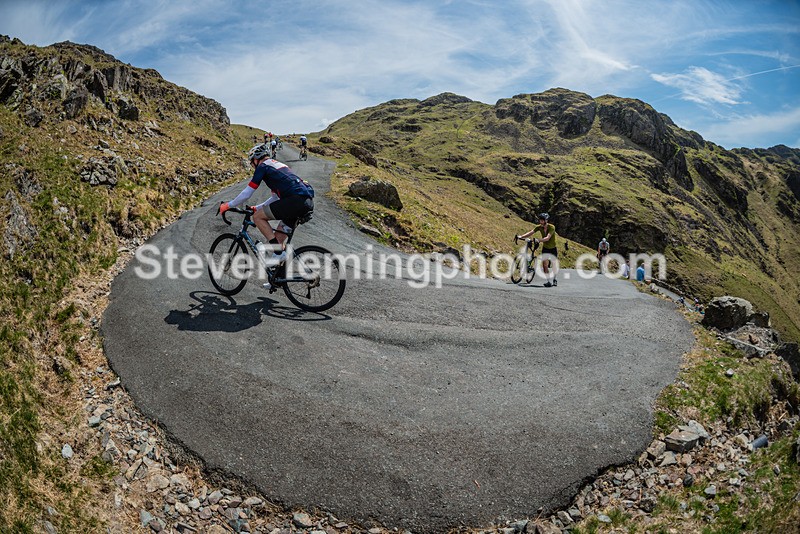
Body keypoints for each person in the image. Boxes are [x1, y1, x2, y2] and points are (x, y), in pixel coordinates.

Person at [218, 144, 314, 265]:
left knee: (258, 217)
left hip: (295, 201)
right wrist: (256, 207)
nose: (252, 166)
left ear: (256, 159)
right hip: (306, 201)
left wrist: (228, 205)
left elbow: (247, 193)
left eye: (251, 162)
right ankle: (279, 274)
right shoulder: (277, 166)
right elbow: (275, 198)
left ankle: (279, 254)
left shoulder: (263, 166)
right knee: (277, 242)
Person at [516, 212, 559, 287]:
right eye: (540, 220)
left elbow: (547, 238)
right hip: (545, 248)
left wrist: (538, 240)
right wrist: (521, 236)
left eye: (542, 220)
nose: (541, 222)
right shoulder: (539, 227)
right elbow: (531, 232)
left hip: (553, 248)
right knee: (545, 265)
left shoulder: (552, 227)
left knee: (554, 265)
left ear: (546, 220)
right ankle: (548, 281)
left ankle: (554, 279)